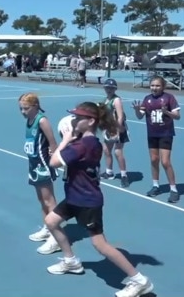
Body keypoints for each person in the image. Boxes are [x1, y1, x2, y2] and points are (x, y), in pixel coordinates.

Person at [45, 102, 154, 297]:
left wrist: (65, 140)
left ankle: (140, 280)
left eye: (79, 118)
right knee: (51, 221)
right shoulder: (89, 142)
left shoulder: (82, 144)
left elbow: (53, 162)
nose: (74, 120)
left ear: (91, 121)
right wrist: (70, 141)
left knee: (100, 244)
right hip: (74, 196)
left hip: (87, 200)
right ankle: (70, 261)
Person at [18, 93, 60, 255]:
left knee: (49, 200)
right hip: (33, 165)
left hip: (43, 165)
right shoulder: (29, 121)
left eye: (26, 108)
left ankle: (56, 236)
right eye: (20, 108)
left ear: (35, 106)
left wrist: (54, 162)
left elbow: (53, 143)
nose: (23, 111)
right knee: (41, 199)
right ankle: (47, 227)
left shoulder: (42, 121)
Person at [131, 76, 181, 203]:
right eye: (152, 85)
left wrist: (167, 112)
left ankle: (173, 189)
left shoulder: (169, 98)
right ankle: (155, 185)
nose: (154, 88)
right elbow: (139, 117)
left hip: (165, 133)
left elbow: (177, 116)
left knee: (165, 162)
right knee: (154, 159)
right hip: (152, 134)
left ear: (163, 86)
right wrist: (137, 110)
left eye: (157, 85)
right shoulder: (147, 99)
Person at [100, 79, 130, 187]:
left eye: (112, 88)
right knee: (106, 150)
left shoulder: (116, 100)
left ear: (115, 89)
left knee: (118, 152)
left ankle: (124, 175)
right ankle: (109, 172)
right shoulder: (105, 100)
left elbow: (120, 116)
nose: (109, 90)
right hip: (108, 129)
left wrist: (117, 130)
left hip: (118, 128)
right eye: (107, 87)